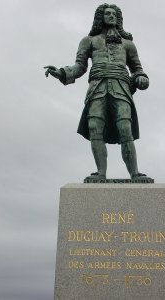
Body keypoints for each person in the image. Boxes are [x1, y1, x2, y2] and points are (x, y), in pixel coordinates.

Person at [44, 3, 149, 180]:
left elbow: (137, 69)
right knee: (94, 128)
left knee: (125, 128)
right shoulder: (89, 41)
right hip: (97, 89)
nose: (111, 16)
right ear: (100, 17)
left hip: (121, 89)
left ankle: (135, 173)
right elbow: (79, 66)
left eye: (114, 14)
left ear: (118, 18)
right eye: (107, 13)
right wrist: (62, 72)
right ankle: (101, 173)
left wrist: (142, 78)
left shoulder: (128, 44)